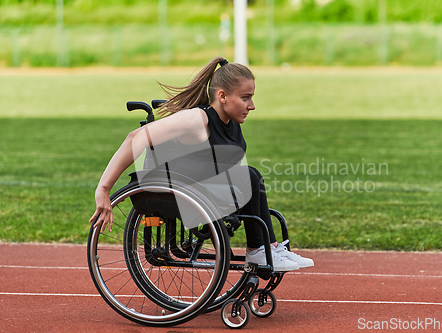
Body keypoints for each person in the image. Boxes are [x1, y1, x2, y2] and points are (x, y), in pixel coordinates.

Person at [89, 57, 313, 271]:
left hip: (202, 188)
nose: (251, 105)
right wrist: (104, 189)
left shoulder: (231, 123)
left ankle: (269, 248)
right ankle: (258, 251)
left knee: (252, 176)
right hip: (173, 188)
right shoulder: (197, 119)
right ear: (223, 96)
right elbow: (134, 139)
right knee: (250, 176)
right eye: (245, 97)